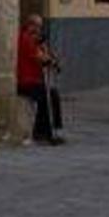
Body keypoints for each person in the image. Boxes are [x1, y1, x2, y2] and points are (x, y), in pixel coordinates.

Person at [16, 15, 64, 145]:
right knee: (52, 95)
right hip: (25, 82)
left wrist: (45, 48)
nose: (39, 29)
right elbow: (40, 57)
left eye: (40, 27)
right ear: (30, 25)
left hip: (33, 80)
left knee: (47, 96)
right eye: (37, 26)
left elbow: (43, 53)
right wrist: (51, 62)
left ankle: (41, 131)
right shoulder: (25, 39)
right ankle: (49, 131)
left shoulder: (32, 39)